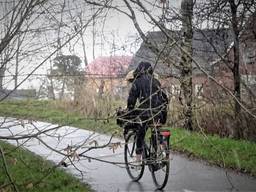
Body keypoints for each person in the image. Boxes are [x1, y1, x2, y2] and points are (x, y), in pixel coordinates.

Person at [126, 61, 165, 162]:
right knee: (155, 130)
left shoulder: (137, 81)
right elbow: (164, 98)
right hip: (159, 112)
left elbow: (132, 99)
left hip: (146, 113)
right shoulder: (156, 82)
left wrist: (130, 109)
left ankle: (138, 159)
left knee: (140, 132)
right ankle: (162, 150)